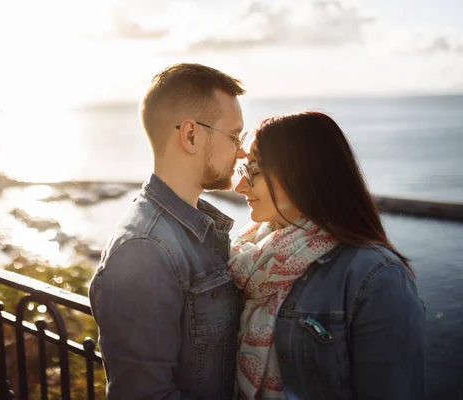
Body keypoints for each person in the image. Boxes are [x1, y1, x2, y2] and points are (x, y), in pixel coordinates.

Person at [229, 111, 426, 399]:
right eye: (242, 171)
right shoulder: (249, 256)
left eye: (253, 171)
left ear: (301, 172)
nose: (239, 186)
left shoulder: (377, 279)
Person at [89, 63, 249, 399]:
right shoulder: (144, 250)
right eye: (234, 136)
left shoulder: (192, 231)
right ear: (191, 135)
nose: (243, 150)